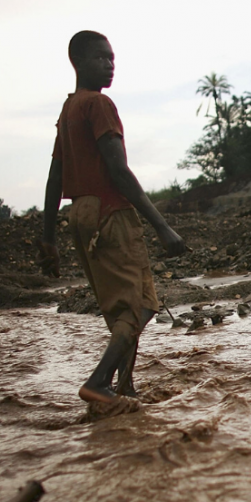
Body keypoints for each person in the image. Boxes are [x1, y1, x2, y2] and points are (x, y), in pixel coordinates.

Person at [39, 30, 187, 410]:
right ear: (78, 62)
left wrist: (49, 238)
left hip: (81, 213)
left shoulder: (69, 109)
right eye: (100, 58)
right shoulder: (98, 105)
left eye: (112, 58)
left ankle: (125, 388)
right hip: (109, 211)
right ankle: (99, 382)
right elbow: (119, 172)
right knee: (141, 304)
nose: (109, 65)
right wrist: (161, 225)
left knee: (122, 308)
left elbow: (56, 178)